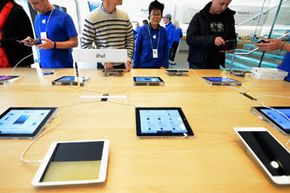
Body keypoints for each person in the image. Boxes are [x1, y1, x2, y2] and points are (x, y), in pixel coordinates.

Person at [22, 0, 78, 68]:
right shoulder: (37, 19)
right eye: (31, 4)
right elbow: (43, 40)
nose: (33, 7)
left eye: (35, 3)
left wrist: (54, 45)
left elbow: (74, 42)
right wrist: (34, 41)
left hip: (63, 67)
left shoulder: (64, 17)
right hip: (44, 68)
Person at [81, 0, 134, 72]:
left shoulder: (124, 16)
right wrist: (103, 60)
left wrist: (128, 59)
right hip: (103, 67)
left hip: (123, 66)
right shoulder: (92, 18)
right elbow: (85, 46)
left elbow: (130, 40)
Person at [186, 0, 236, 69]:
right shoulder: (199, 17)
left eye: (227, 4)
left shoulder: (229, 18)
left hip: (217, 63)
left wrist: (231, 45)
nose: (224, 7)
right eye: (221, 3)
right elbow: (190, 39)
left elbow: (232, 37)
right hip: (198, 63)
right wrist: (212, 40)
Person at [133, 0, 169, 68]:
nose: (156, 17)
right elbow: (137, 49)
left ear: (161, 16)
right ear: (149, 15)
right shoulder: (143, 29)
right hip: (143, 67)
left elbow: (166, 51)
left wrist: (164, 65)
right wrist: (135, 66)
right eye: (153, 14)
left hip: (159, 68)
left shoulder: (163, 31)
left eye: (158, 14)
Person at [0, 0, 34, 68]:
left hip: (19, 62)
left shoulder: (17, 11)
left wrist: (2, 43)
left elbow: (28, 38)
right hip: (3, 62)